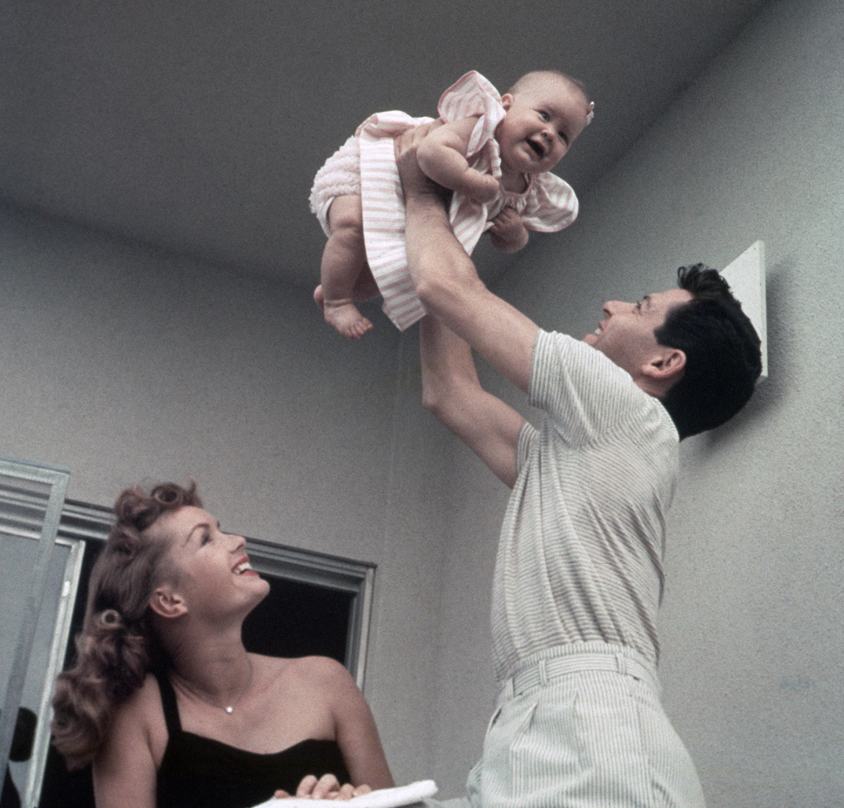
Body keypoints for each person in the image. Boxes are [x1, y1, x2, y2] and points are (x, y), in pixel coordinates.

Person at [394, 124, 761, 807]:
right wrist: (450, 219)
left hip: (593, 729)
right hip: (535, 719)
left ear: (661, 364)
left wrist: (421, 188)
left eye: (640, 308)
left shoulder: (629, 411)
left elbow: (446, 288)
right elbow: (451, 391)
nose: (612, 306)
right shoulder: (581, 451)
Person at [50, 482, 394, 808]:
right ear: (170, 601)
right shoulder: (136, 715)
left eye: (221, 529)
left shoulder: (327, 682)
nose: (238, 540)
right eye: (205, 540)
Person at [308, 69, 594, 339]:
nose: (549, 133)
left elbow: (506, 245)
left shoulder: (526, 191)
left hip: (404, 215)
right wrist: (471, 181)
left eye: (564, 136)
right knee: (352, 226)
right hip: (369, 174)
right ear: (505, 106)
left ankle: (334, 286)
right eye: (544, 115)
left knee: (386, 280)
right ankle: (337, 301)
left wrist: (514, 234)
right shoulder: (481, 129)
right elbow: (431, 152)